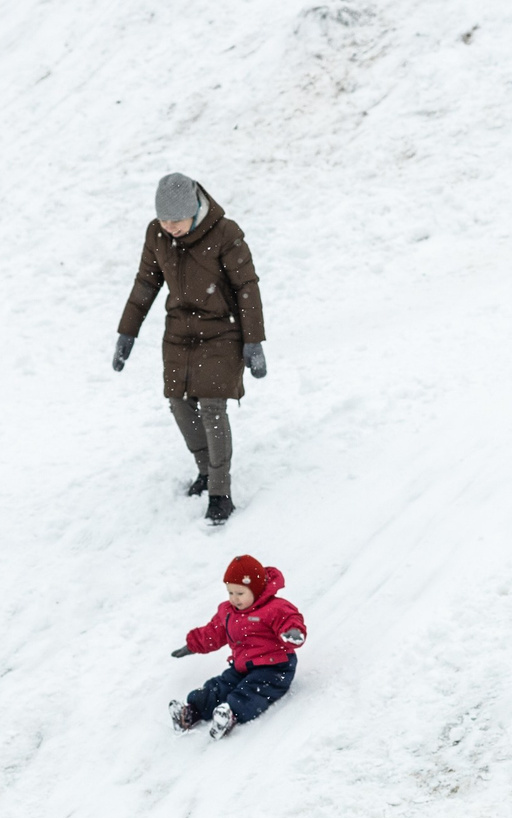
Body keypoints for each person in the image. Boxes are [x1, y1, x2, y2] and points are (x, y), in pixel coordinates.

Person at [114, 172, 266, 524]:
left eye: (176, 220)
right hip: (180, 332)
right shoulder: (157, 234)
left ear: (194, 209)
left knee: (212, 406)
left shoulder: (225, 233)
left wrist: (254, 341)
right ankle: (204, 469)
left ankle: (220, 490)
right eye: (164, 220)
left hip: (222, 330)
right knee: (180, 405)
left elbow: (247, 286)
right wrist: (127, 333)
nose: (170, 228)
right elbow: (145, 283)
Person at [170, 555, 305, 738]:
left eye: (240, 593)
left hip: (275, 668)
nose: (234, 599)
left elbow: (290, 620)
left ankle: (230, 714)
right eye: (230, 593)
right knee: (219, 686)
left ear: (256, 590)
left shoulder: (274, 608)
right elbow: (213, 632)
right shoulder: (228, 612)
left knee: (251, 691)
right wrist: (193, 645)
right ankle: (191, 712)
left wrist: (293, 633)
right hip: (243, 666)